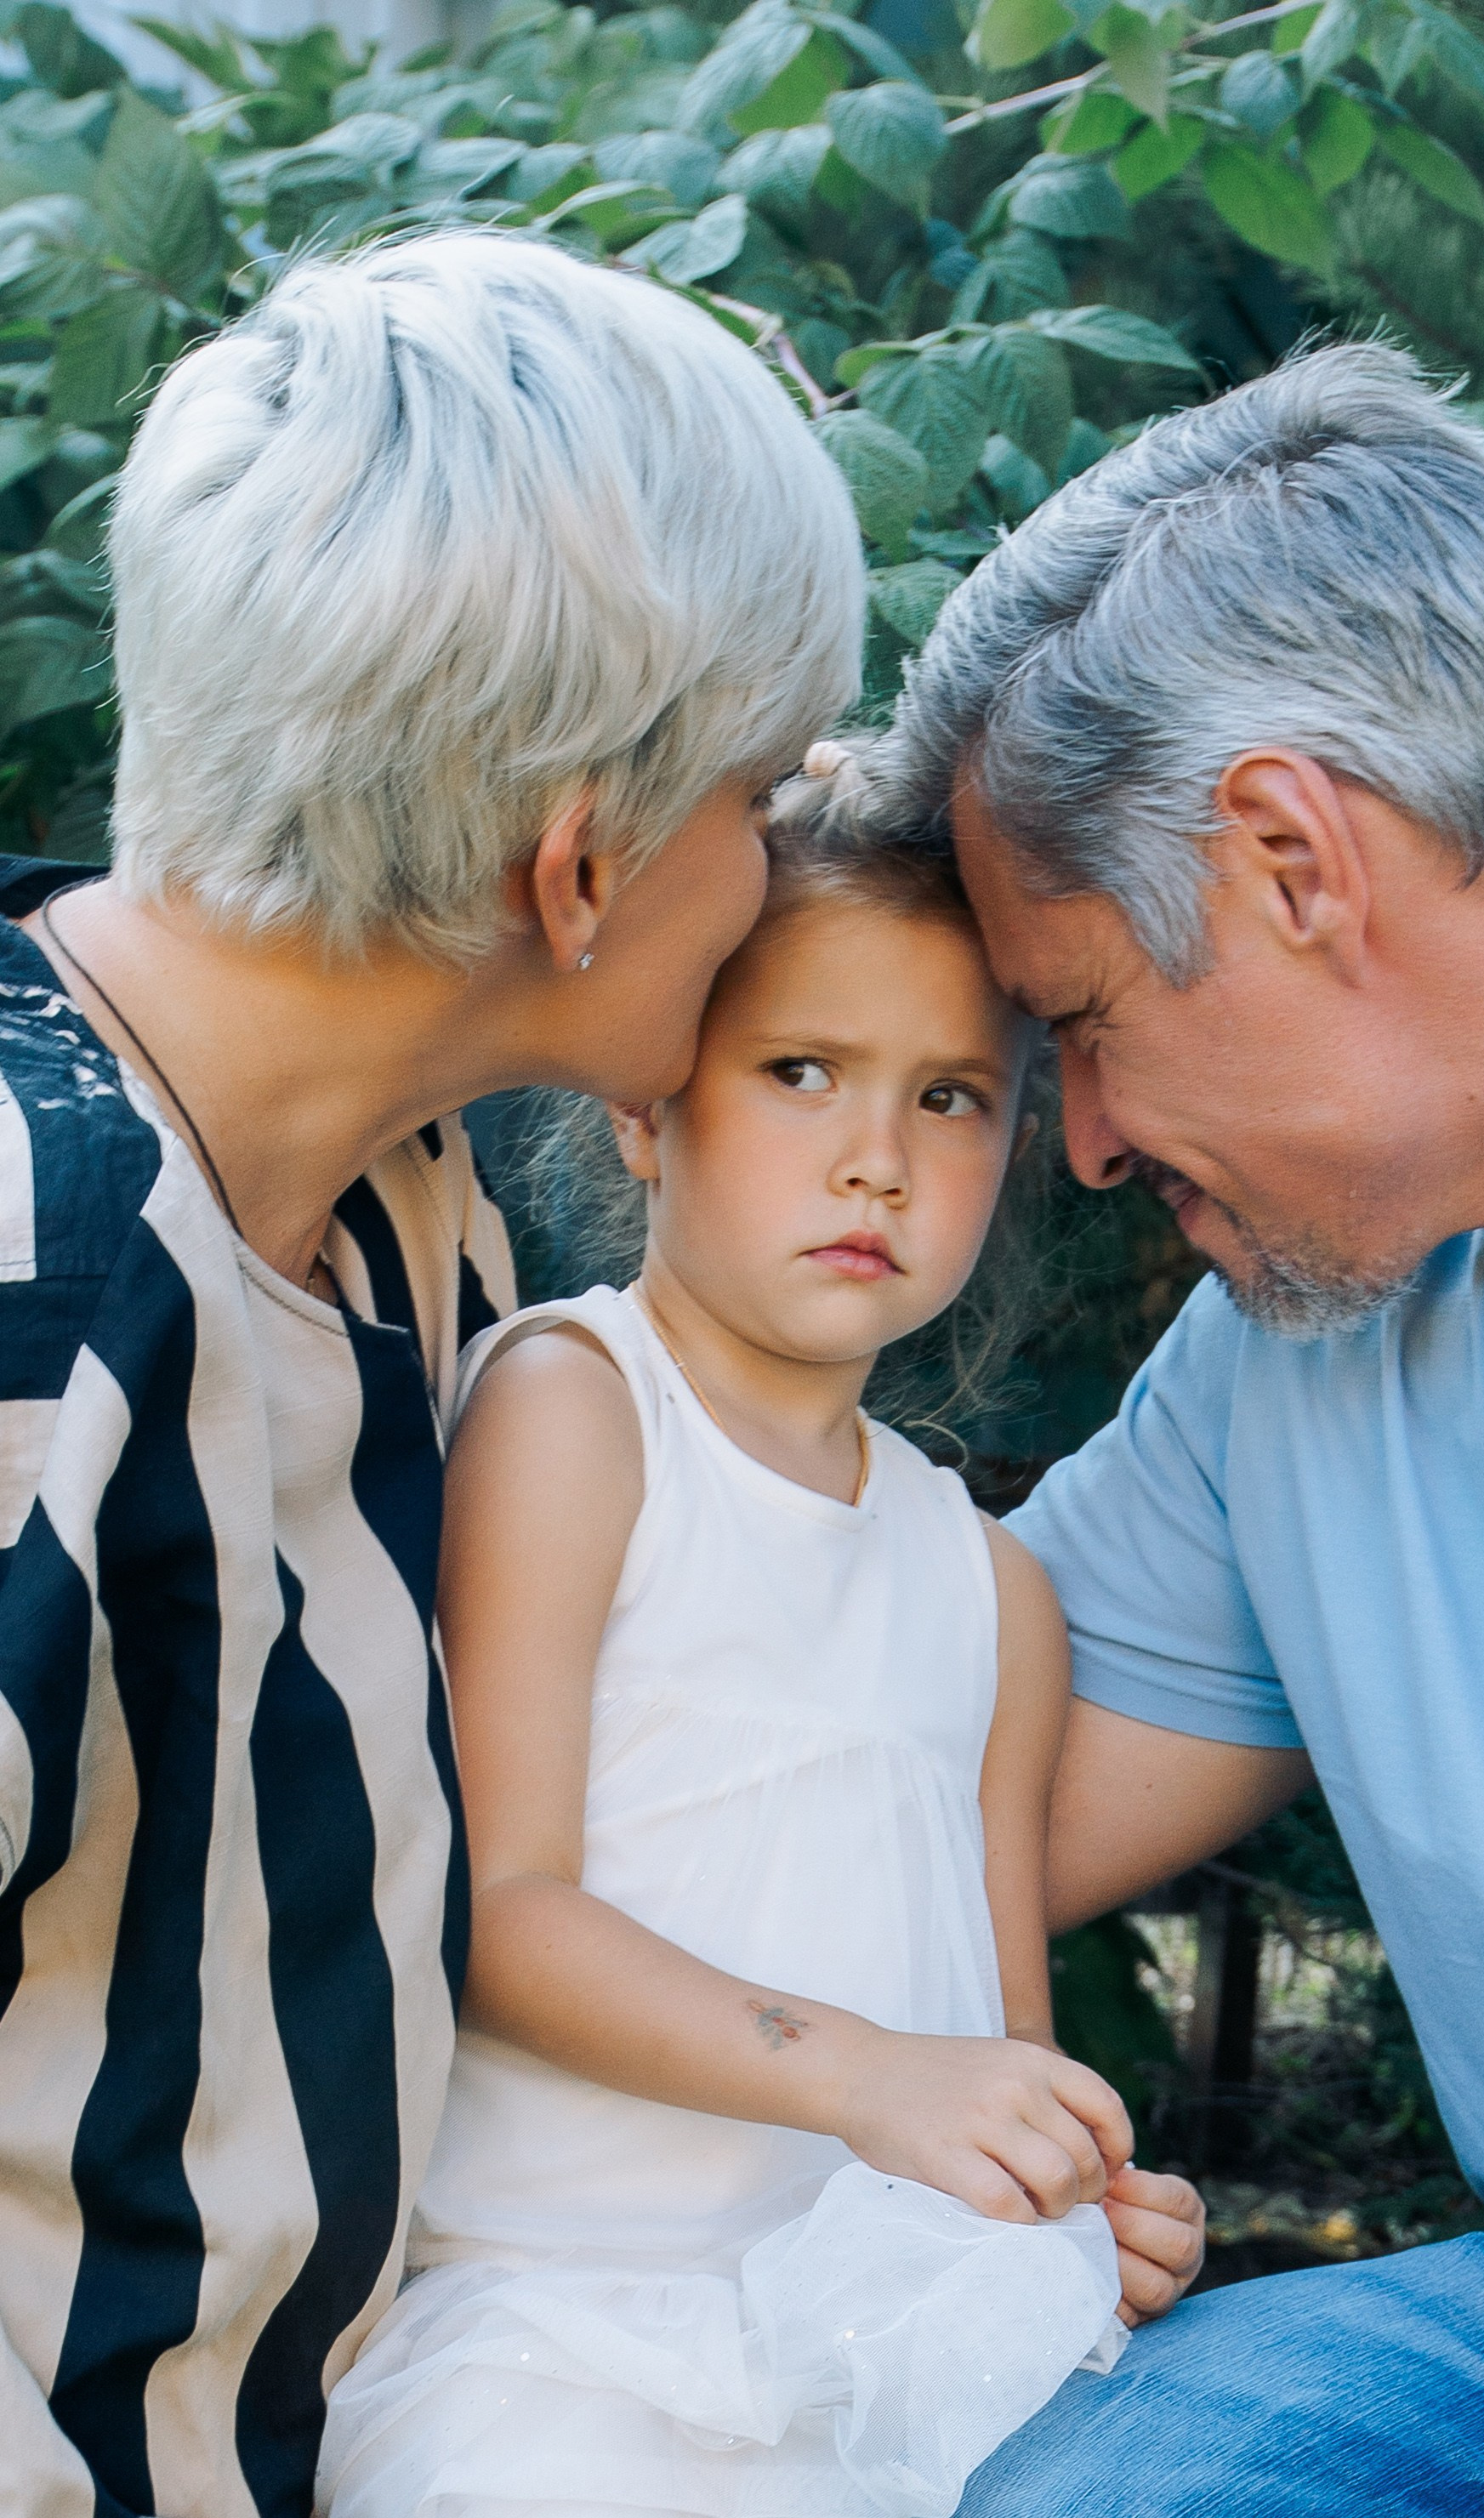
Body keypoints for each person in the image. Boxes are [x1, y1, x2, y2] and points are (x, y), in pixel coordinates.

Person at [0, 231, 865, 2518]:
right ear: (578, 867)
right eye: (765, 793)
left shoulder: (404, 1197)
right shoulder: (32, 1304)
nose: (780, 860)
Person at [881, 341, 1484, 2513]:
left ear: (1287, 856)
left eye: (1086, 1027)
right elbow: (892, 1789)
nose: (1101, 1143)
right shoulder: (1299, 1346)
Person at [316, 758, 1207, 2518]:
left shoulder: (990, 1590)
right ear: (653, 1099)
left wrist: (1066, 2185)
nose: (876, 1156)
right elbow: (499, 1910)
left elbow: (992, 2053)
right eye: (801, 1070)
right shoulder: (581, 1411)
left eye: (950, 1096)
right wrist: (872, 2075)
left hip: (891, 2365)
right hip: (568, 2348)